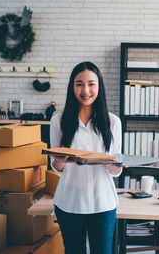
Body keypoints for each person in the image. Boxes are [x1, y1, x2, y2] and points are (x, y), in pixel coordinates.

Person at [49, 62, 122, 254]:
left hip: (103, 203)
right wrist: (60, 160)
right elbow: (56, 167)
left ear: (99, 86)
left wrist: (111, 164)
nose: (86, 90)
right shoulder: (58, 121)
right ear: (72, 87)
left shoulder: (113, 122)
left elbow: (117, 171)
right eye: (79, 84)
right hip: (70, 202)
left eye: (91, 83)